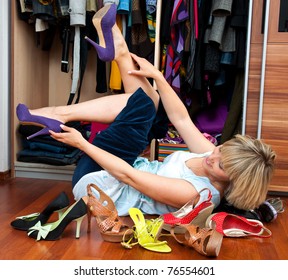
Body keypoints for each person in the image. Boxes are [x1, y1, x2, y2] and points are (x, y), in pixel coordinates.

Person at [17, 4, 276, 216]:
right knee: (154, 104)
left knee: (141, 105)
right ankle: (118, 52)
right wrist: (158, 76)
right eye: (221, 150)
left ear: (232, 181)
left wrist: (82, 143)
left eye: (221, 165)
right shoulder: (212, 157)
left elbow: (127, 176)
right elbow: (182, 119)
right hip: (124, 167)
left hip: (100, 185)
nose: (212, 157)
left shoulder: (197, 193)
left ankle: (62, 112)